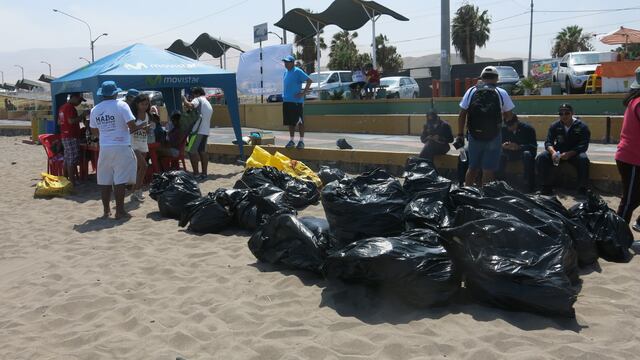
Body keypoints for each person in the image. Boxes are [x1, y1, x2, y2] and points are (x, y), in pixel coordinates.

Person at [89, 81, 145, 219]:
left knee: (105, 180)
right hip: (121, 146)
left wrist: (107, 132)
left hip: (105, 147)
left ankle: (106, 210)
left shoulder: (95, 109)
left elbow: (94, 132)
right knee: (120, 179)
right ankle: (120, 211)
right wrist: (142, 126)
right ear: (115, 93)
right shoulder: (121, 105)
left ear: (102, 94)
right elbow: (131, 126)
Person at [456, 66, 515, 186]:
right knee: (488, 169)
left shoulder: (471, 91)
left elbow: (462, 114)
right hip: (494, 136)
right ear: (497, 78)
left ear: (482, 78)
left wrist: (460, 134)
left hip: (474, 135)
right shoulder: (501, 92)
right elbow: (509, 116)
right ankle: (485, 198)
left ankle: (467, 194)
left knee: (472, 168)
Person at [536, 103, 591, 195]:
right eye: (561, 114)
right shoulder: (555, 125)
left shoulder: (582, 126)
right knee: (542, 157)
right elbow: (548, 142)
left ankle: (582, 188)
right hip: (559, 153)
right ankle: (545, 186)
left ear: (572, 113)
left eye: (567, 113)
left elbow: (583, 145)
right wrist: (553, 153)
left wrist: (570, 153)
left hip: (574, 153)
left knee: (583, 159)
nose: (564, 116)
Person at [615, 67, 640, 231]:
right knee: (630, 199)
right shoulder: (638, 102)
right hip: (632, 158)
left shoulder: (635, 101)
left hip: (632, 157)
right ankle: (617, 233)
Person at [497, 114, 538, 192]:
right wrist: (503, 146)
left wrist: (519, 147)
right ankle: (500, 183)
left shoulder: (528, 129)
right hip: (508, 153)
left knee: (527, 155)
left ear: (517, 122)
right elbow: (497, 143)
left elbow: (533, 146)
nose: (509, 127)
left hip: (522, 153)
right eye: (507, 125)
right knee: (500, 155)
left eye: (511, 125)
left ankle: (529, 184)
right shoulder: (503, 129)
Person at [282, 55, 312, 149]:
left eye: (287, 62)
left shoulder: (297, 71)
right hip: (287, 101)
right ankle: (291, 141)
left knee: (300, 122)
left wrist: (303, 93)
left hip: (296, 102)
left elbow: (309, 81)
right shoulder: (285, 72)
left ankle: (301, 141)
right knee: (290, 122)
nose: (286, 63)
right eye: (285, 62)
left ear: (292, 62)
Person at [182, 86, 213, 179]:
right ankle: (204, 174)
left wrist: (183, 99)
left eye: (193, 95)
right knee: (202, 151)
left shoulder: (198, 99)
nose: (192, 97)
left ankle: (196, 174)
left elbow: (190, 105)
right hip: (205, 131)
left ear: (197, 94)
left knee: (191, 151)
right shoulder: (208, 103)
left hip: (196, 131)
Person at [58, 92, 88, 186]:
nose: (79, 103)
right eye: (79, 100)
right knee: (72, 159)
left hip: (65, 135)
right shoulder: (70, 108)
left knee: (67, 159)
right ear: (74, 98)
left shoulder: (62, 107)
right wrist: (82, 115)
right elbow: (71, 121)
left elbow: (59, 122)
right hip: (71, 136)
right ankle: (72, 182)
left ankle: (65, 179)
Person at [129, 93, 152, 201]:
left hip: (143, 143)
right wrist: (141, 126)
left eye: (147, 104)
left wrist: (146, 129)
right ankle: (138, 190)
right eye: (142, 104)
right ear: (137, 104)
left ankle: (134, 191)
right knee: (144, 166)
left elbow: (145, 131)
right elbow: (129, 130)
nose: (145, 106)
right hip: (133, 144)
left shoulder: (147, 115)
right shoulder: (132, 115)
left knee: (139, 169)